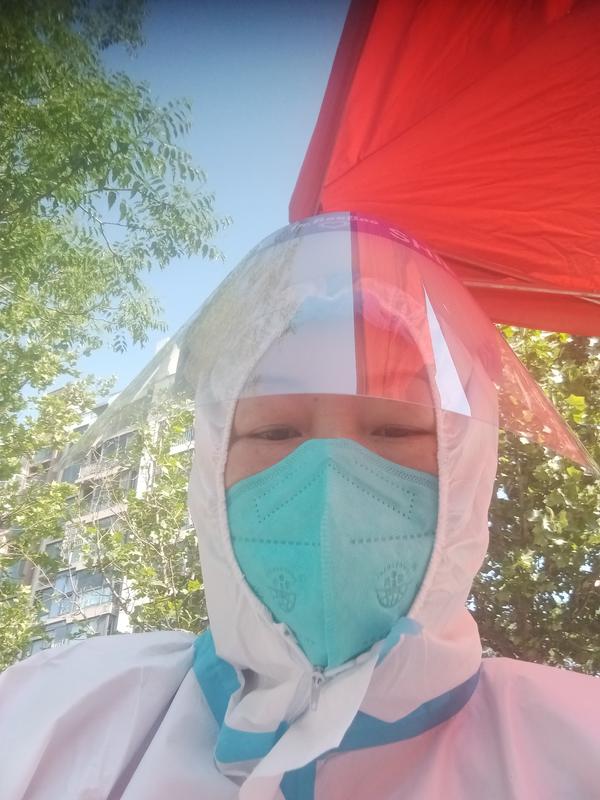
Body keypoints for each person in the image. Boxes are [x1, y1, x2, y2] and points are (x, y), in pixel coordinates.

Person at [1, 213, 598, 799]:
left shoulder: (576, 745)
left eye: (395, 429)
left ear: (470, 469)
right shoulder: (46, 716)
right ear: (211, 469)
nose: (329, 481)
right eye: (275, 431)